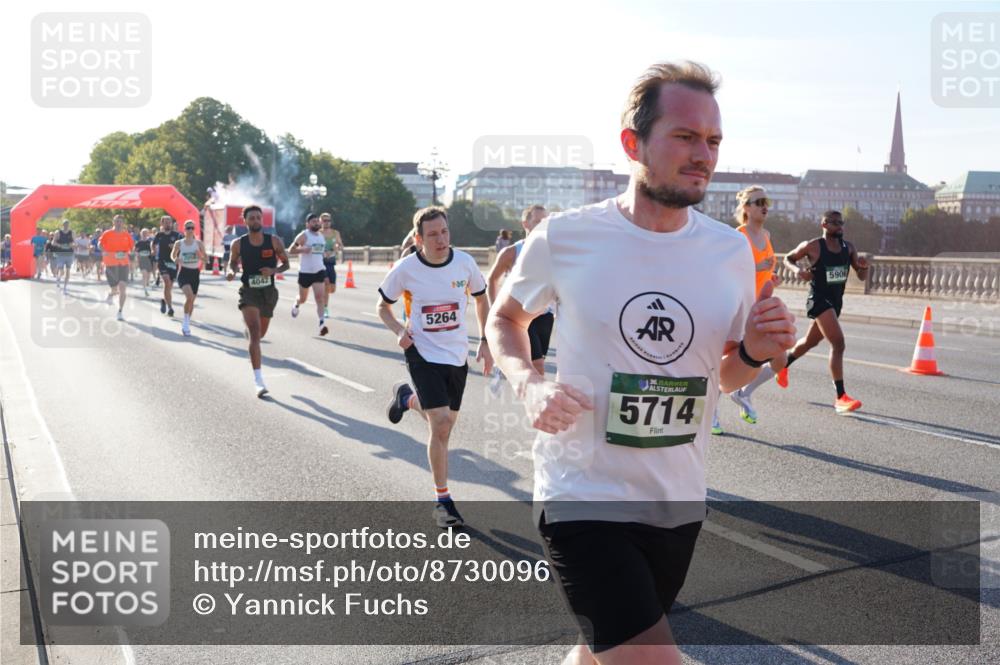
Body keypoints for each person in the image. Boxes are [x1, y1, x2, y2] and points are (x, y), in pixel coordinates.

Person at [487, 61, 795, 664]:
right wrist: (527, 383)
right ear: (633, 142)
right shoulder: (568, 236)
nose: (703, 154)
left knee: (601, 652)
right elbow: (505, 319)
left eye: (712, 141)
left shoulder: (729, 251)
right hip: (582, 494)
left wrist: (757, 350)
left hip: (677, 497)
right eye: (684, 136)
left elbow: (725, 373)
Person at [377, 206, 493, 529]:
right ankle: (443, 501)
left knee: (445, 423)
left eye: (444, 232)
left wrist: (485, 339)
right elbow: (382, 306)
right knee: (440, 424)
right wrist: (400, 331)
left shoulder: (465, 263)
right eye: (432, 234)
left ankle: (407, 399)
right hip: (422, 352)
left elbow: (482, 299)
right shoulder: (407, 269)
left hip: (457, 355)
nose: (441, 239)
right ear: (418, 238)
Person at [776, 210, 869, 414]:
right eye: (834, 223)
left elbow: (861, 277)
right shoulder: (813, 246)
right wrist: (798, 271)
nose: (839, 227)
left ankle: (782, 364)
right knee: (838, 343)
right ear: (824, 225)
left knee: (810, 342)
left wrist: (864, 268)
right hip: (818, 300)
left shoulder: (849, 248)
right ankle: (840, 397)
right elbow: (788, 259)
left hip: (836, 302)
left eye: (841, 223)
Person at [713, 186, 783, 433]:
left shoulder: (767, 235)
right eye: (758, 201)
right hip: (738, 307)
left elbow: (766, 269)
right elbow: (726, 270)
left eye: (767, 201)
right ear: (746, 208)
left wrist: (771, 278)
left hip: (759, 307)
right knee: (724, 361)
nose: (764, 206)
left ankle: (744, 393)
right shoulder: (738, 236)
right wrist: (756, 266)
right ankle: (712, 411)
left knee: (780, 359)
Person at [486, 205, 552, 394]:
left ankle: (504, 365)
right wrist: (495, 311)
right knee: (537, 365)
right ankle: (539, 406)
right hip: (520, 315)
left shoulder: (552, 250)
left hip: (544, 315)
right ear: (525, 223)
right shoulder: (512, 252)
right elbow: (492, 279)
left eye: (545, 221)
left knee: (535, 363)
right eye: (538, 221)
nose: (543, 226)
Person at [227, 205, 290, 397]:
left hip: (268, 293)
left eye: (258, 218)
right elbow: (232, 262)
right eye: (251, 218)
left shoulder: (274, 242)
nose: (255, 221)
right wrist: (231, 271)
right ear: (245, 221)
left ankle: (252, 340)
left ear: (262, 220)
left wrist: (274, 271)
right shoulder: (238, 243)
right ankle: (258, 380)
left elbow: (286, 263)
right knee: (255, 334)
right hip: (249, 292)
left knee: (260, 334)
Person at [289, 213, 330, 336]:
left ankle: (321, 324)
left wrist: (325, 254)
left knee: (320, 298)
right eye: (313, 221)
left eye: (317, 221)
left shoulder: (321, 236)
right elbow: (291, 250)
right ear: (307, 224)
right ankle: (296, 304)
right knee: (303, 299)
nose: (316, 223)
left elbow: (320, 252)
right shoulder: (303, 235)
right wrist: (303, 250)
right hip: (305, 272)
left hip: (319, 271)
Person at [171, 220, 207, 336]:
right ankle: (186, 323)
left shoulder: (199, 244)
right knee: (189, 296)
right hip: (183, 273)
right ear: (184, 230)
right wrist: (175, 259)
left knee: (191, 301)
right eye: (188, 228)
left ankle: (186, 321)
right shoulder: (179, 243)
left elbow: (206, 259)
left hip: (195, 274)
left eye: (192, 228)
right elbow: (172, 255)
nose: (190, 230)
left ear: (194, 229)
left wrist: (200, 256)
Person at [98, 215, 135, 321]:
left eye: (121, 221)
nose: (119, 223)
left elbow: (132, 247)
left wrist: (132, 251)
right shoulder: (107, 233)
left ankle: (120, 311)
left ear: (123, 223)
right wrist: (103, 250)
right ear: (113, 222)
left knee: (123, 288)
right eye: (117, 221)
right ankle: (111, 294)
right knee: (115, 289)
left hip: (123, 264)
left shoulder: (126, 235)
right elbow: (100, 243)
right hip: (110, 264)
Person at [153, 216, 182, 317]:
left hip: (173, 262)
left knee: (169, 287)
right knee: (166, 282)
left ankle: (164, 301)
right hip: (163, 262)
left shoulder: (177, 235)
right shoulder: (159, 235)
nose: (168, 224)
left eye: (169, 222)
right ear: (162, 224)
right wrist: (153, 250)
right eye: (165, 222)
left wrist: (176, 247)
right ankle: (170, 307)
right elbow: (153, 243)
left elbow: (184, 245)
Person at [319, 212, 344, 319]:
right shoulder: (317, 233)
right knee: (326, 284)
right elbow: (312, 247)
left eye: (328, 220)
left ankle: (321, 297)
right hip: (320, 262)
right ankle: (325, 308)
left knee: (332, 289)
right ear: (320, 221)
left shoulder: (335, 233)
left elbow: (341, 246)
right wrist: (322, 252)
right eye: (324, 220)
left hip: (331, 263)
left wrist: (336, 247)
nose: (327, 222)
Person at [51, 220, 75, 293]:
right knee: (62, 271)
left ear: (69, 225)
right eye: (65, 224)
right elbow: (53, 242)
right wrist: (59, 245)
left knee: (68, 271)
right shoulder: (58, 233)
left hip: (69, 254)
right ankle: (58, 278)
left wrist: (72, 244)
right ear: (62, 225)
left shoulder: (72, 232)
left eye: (67, 224)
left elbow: (74, 242)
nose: (66, 225)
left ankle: (65, 287)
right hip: (60, 254)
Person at [135, 229, 154, 296]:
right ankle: (145, 289)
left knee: (148, 275)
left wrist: (152, 252)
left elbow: (153, 250)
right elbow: (136, 251)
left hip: (149, 260)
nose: (144, 234)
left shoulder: (150, 242)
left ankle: (147, 284)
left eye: (146, 233)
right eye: (143, 233)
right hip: (142, 260)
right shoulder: (138, 243)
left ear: (148, 234)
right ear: (141, 234)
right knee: (144, 275)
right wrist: (137, 257)